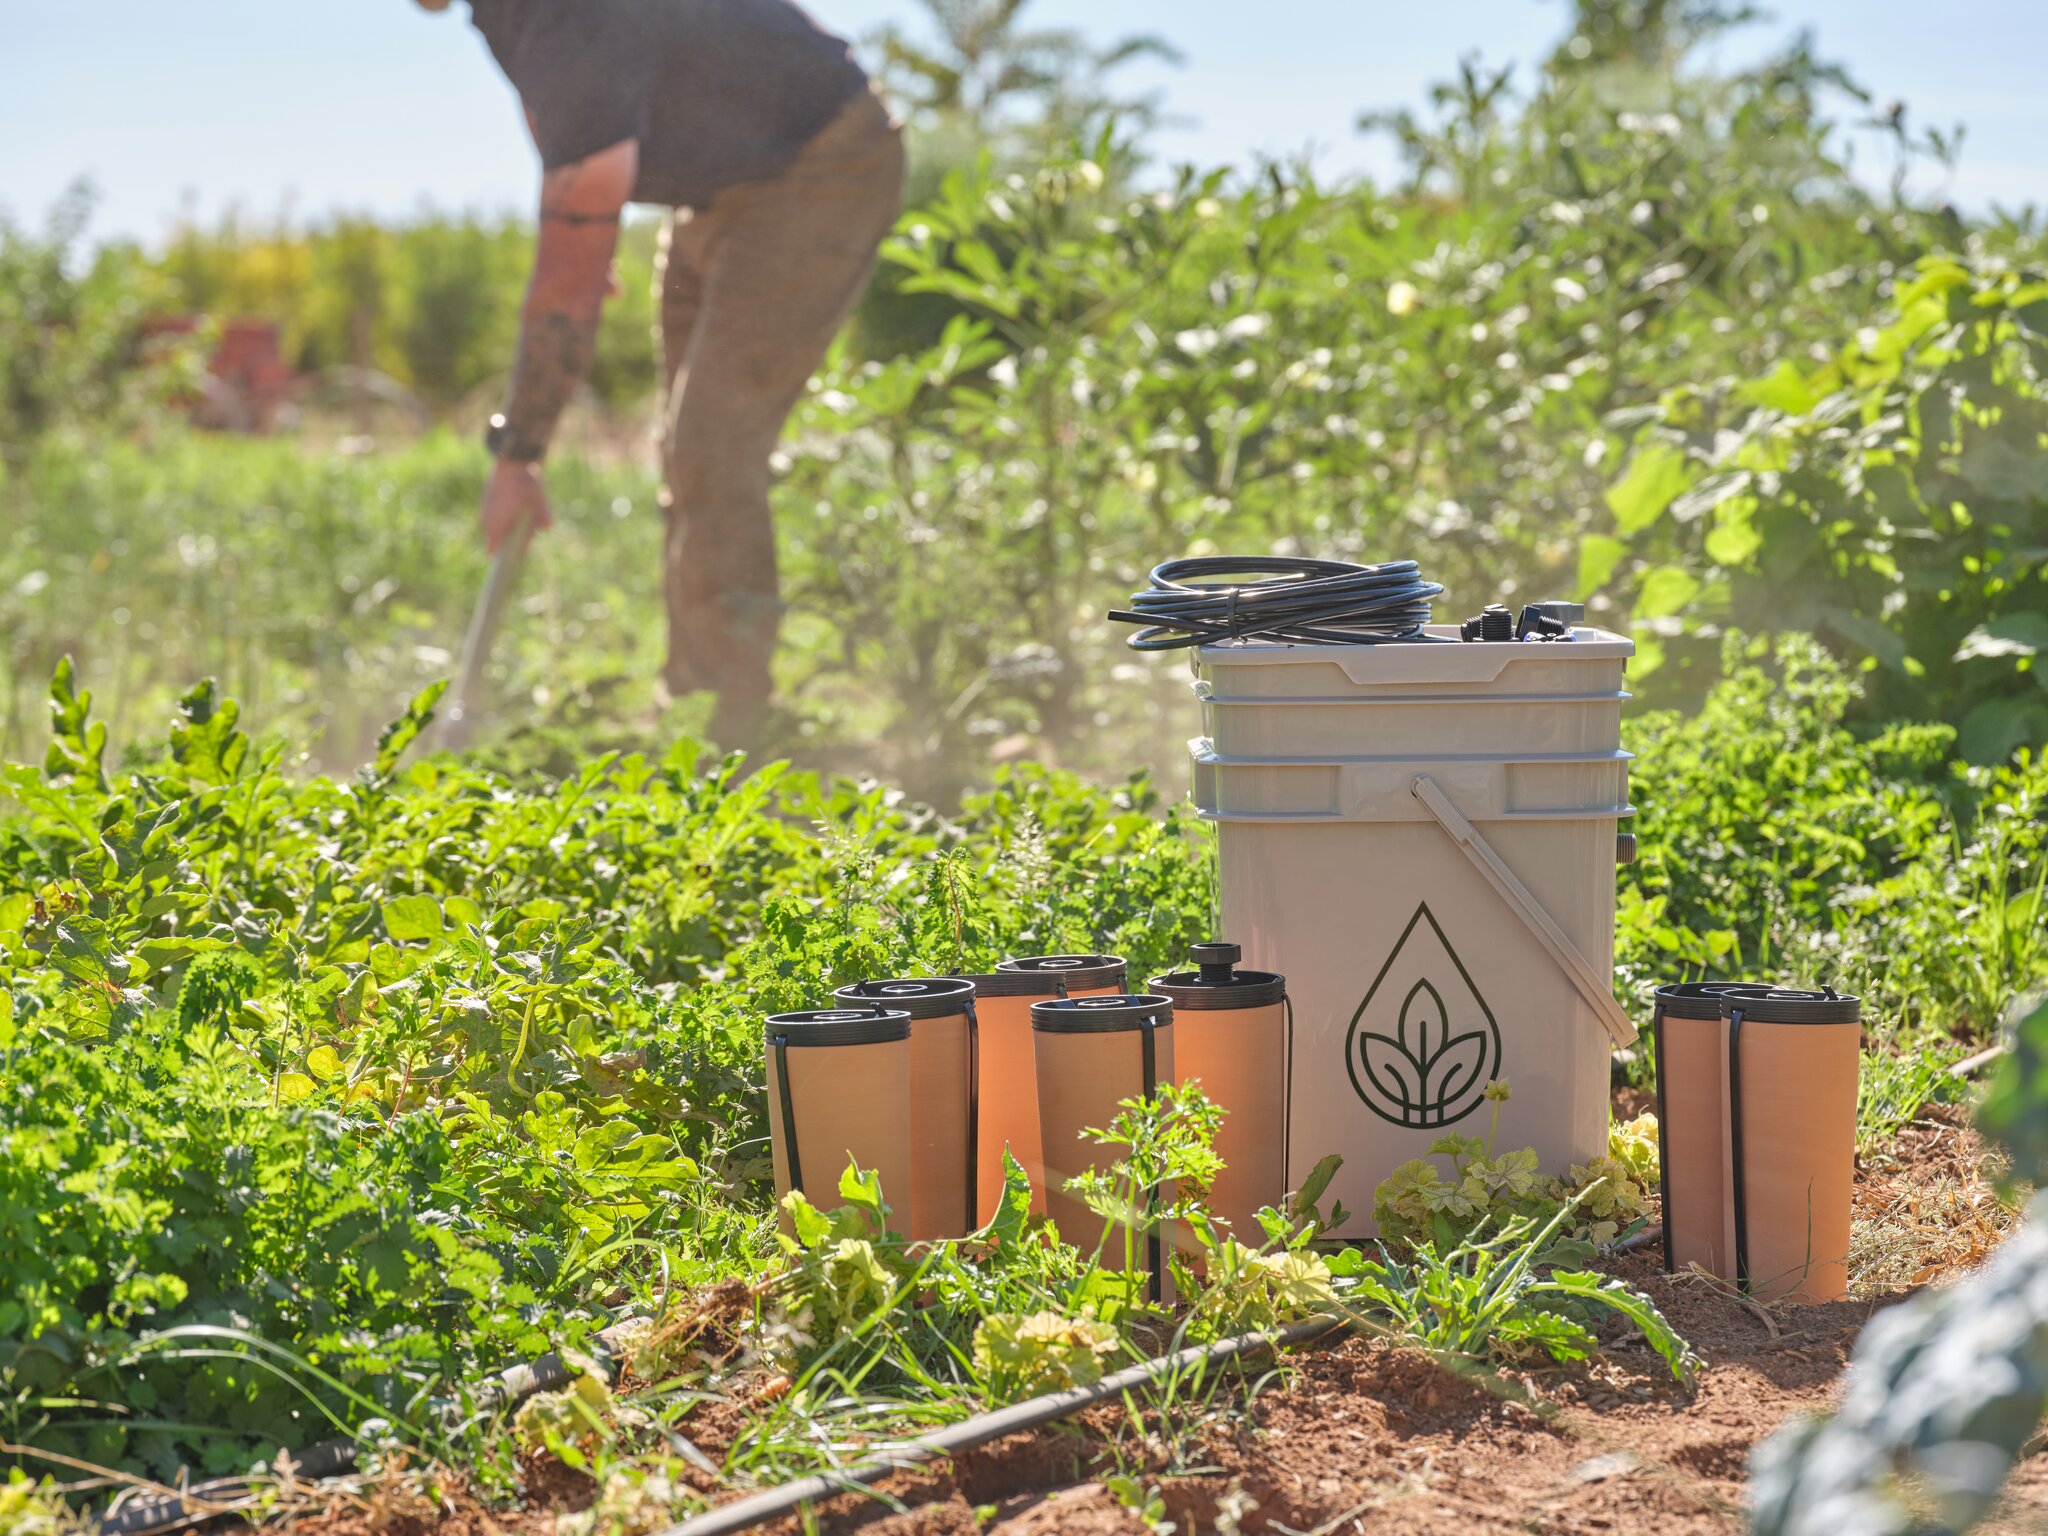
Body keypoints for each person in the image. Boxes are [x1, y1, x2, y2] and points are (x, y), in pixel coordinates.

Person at [416, 0, 904, 739]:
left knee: (710, 445)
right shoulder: (503, 13)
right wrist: (583, 232)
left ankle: (729, 733)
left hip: (821, 163)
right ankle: (695, 700)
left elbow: (565, 287)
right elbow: (564, 138)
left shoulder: (569, 18)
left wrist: (519, 452)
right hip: (712, 192)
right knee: (685, 451)